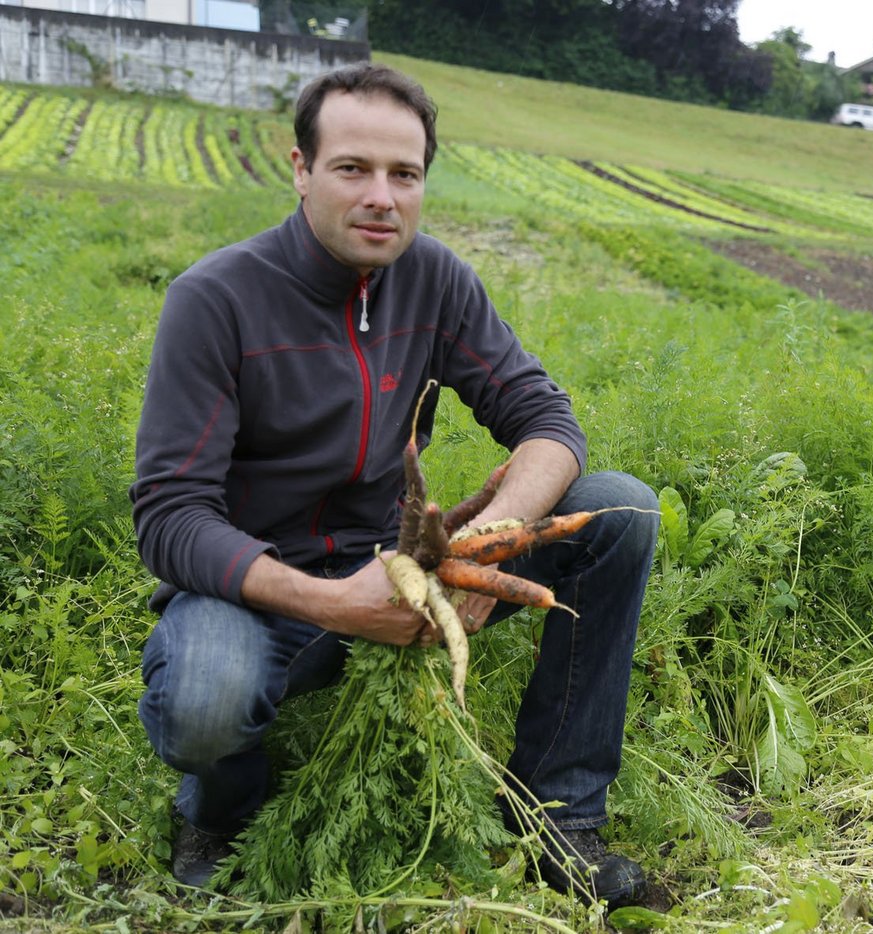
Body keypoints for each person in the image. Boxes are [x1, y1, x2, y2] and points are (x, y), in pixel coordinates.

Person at [129, 62, 658, 907]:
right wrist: (334, 605)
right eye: (353, 169)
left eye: (404, 174)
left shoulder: (434, 280)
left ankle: (556, 812)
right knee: (206, 697)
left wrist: (493, 538)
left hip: (400, 573)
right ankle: (222, 812)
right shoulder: (217, 300)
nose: (382, 196)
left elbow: (547, 422)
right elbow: (168, 516)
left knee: (621, 509)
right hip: (260, 590)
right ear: (301, 171)